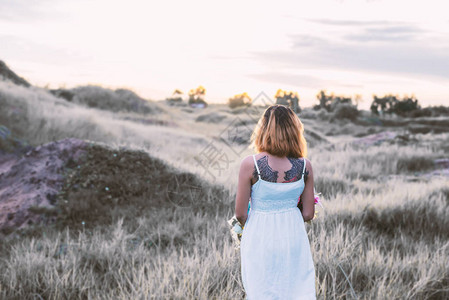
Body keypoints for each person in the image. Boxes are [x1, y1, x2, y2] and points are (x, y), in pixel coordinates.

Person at [234, 104, 316, 299]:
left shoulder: (250, 164)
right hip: (293, 235)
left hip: (259, 235)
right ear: (294, 130)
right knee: (294, 289)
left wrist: (251, 226)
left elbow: (240, 213)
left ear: (263, 130)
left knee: (262, 289)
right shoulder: (305, 166)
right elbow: (308, 214)